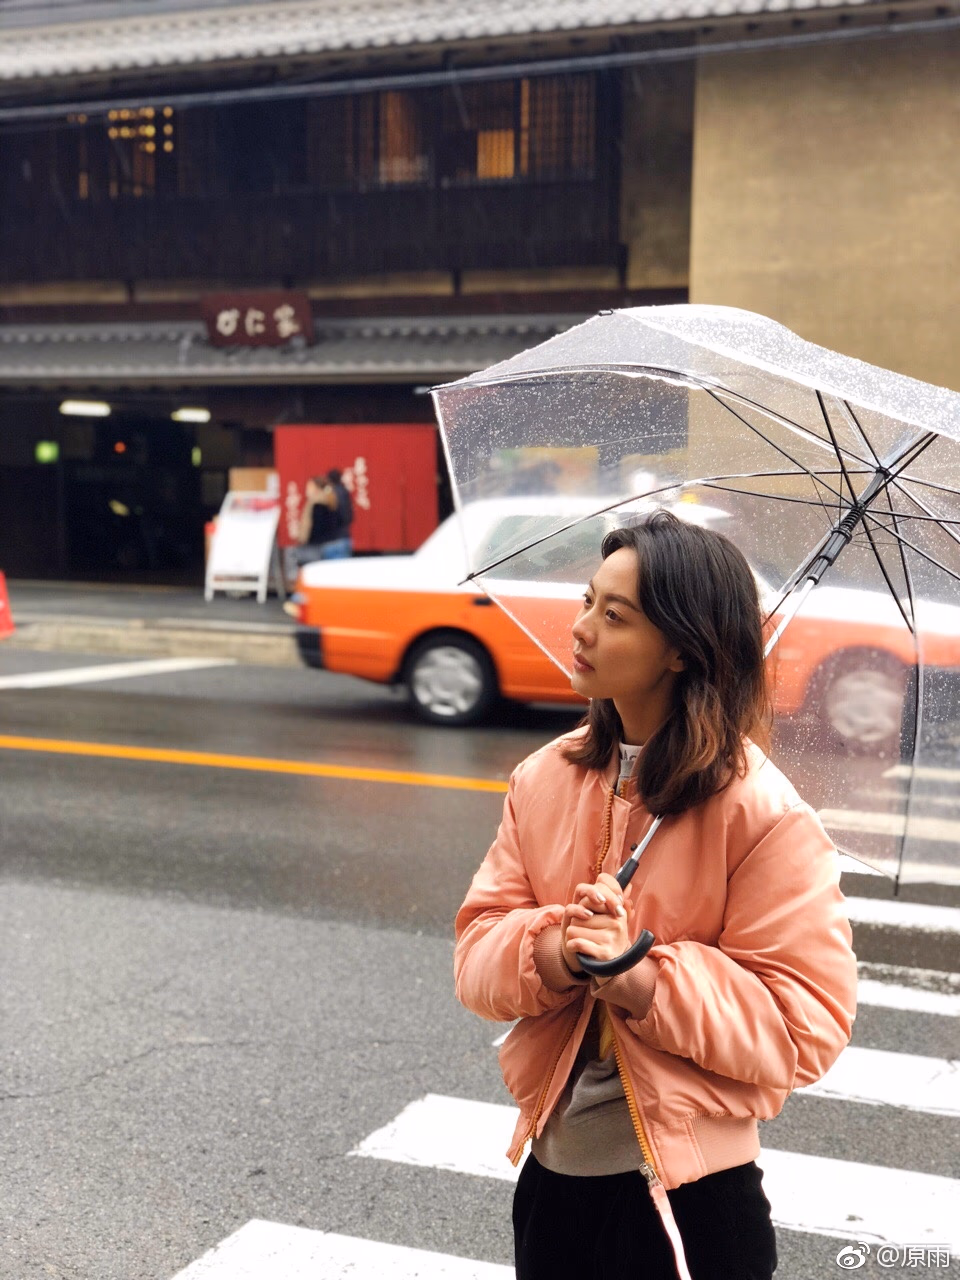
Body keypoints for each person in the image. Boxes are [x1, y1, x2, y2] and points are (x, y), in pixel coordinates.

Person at [454, 511, 857, 1280]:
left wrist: (641, 978)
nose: (581, 629)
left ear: (680, 649)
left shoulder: (760, 813)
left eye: (615, 616)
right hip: (553, 1176)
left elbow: (806, 1025)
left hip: (689, 1197)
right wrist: (559, 950)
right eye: (586, 602)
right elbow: (476, 958)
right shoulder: (545, 779)